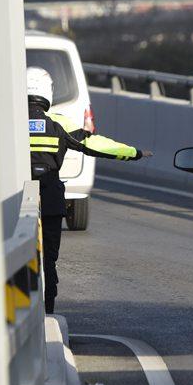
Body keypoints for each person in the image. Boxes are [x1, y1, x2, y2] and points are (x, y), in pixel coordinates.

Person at [27, 66, 150, 313]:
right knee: (48, 261)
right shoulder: (58, 123)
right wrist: (133, 153)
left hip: (16, 200)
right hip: (50, 201)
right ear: (47, 92)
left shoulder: (10, 122)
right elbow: (94, 144)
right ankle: (47, 311)